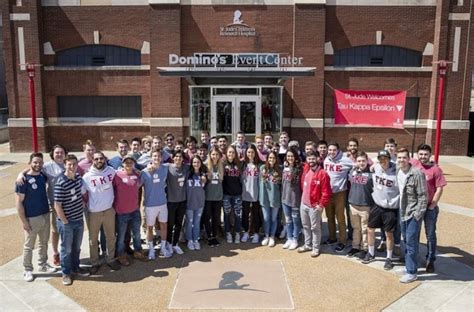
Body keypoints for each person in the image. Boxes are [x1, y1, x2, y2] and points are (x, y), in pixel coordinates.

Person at [16, 153, 56, 282]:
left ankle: (42, 264)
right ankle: (27, 269)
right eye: (35, 162)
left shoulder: (42, 176)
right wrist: (24, 221)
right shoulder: (22, 181)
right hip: (31, 218)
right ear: (30, 163)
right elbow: (18, 202)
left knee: (44, 243)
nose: (37, 165)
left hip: (45, 213)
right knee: (29, 245)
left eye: (40, 162)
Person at [82, 151, 121, 274]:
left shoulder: (111, 171)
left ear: (105, 159)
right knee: (93, 239)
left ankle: (111, 259)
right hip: (94, 212)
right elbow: (82, 194)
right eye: (96, 159)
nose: (99, 161)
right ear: (92, 160)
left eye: (101, 159)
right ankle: (95, 262)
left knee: (111, 237)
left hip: (109, 210)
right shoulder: (87, 177)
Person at [54, 154, 89, 286]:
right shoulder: (60, 182)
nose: (72, 167)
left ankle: (76, 268)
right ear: (65, 165)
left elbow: (79, 194)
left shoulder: (78, 178)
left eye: (74, 164)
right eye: (69, 164)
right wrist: (65, 222)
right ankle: (66, 273)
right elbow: (57, 205)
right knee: (66, 249)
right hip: (67, 222)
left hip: (79, 219)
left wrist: (82, 204)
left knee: (76, 247)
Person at [411, 144, 447, 273]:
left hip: (429, 207)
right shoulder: (414, 164)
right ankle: (412, 257)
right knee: (413, 234)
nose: (423, 157)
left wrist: (433, 204)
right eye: (421, 154)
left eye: (425, 154)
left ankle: (430, 259)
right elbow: (397, 159)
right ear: (417, 154)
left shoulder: (435, 170)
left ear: (430, 155)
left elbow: (440, 188)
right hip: (415, 207)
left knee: (430, 235)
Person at [362, 150, 400, 271]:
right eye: (380, 158)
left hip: (390, 208)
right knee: (370, 229)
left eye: (385, 158)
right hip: (377, 205)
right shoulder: (376, 167)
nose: (383, 161)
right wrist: (374, 163)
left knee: (389, 234)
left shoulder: (396, 171)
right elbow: (366, 159)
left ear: (390, 158)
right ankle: (371, 253)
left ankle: (389, 258)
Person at [397, 148, 427, 283]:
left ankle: (412, 272)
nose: (401, 160)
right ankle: (409, 266)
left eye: (404, 157)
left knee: (411, 242)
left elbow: (423, 196)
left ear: (409, 159)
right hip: (402, 211)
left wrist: (417, 215)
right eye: (399, 158)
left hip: (412, 213)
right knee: (406, 240)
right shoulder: (398, 171)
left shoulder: (416, 174)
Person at [112, 154, 148, 266]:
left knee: (137, 234)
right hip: (122, 212)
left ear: (133, 164)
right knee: (121, 236)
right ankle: (121, 255)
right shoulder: (116, 175)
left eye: (131, 162)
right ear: (123, 164)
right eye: (126, 162)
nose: (128, 164)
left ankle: (138, 251)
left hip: (134, 211)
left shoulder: (137, 175)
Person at [298, 151, 332, 257]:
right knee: (305, 226)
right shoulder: (306, 169)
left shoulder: (323, 174)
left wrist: (321, 205)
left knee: (315, 228)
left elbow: (326, 192)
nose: (311, 161)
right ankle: (307, 244)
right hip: (303, 203)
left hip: (314, 206)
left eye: (313, 159)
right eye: (309, 159)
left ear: (318, 159)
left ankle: (315, 247)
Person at [140, 147, 172, 259]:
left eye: (158, 156)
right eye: (154, 156)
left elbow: (178, 163)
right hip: (150, 205)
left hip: (162, 203)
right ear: (151, 158)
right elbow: (137, 184)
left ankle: (163, 248)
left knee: (164, 225)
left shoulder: (166, 168)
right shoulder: (145, 172)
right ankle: (151, 250)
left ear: (161, 157)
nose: (157, 158)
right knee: (149, 228)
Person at [323, 142, 353, 252]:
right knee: (329, 216)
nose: (331, 152)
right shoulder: (326, 159)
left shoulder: (345, 160)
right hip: (328, 193)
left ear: (338, 150)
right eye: (330, 150)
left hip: (340, 193)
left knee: (340, 218)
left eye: (333, 150)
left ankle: (342, 241)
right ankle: (332, 238)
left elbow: (356, 165)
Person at [347, 151, 373, 259]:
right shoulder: (353, 171)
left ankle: (364, 248)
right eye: (359, 161)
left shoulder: (372, 173)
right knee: (356, 228)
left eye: (363, 161)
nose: (361, 163)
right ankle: (355, 246)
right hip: (353, 204)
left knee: (364, 229)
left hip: (365, 205)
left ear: (367, 161)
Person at [166, 150, 188, 255]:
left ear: (183, 159)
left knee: (179, 224)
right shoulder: (167, 167)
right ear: (173, 157)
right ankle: (169, 243)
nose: (178, 158)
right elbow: (155, 166)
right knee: (170, 224)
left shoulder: (186, 168)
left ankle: (175, 244)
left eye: (180, 157)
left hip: (182, 200)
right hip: (171, 201)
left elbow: (199, 167)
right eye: (176, 156)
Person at [281, 147, 303, 250]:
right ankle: (289, 238)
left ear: (295, 157)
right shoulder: (284, 168)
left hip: (295, 199)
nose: (290, 158)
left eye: (292, 156)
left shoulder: (300, 168)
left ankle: (295, 239)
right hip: (285, 198)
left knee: (295, 220)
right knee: (288, 220)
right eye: (288, 156)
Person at [259, 151, 282, 247]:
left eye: (273, 158)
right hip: (264, 197)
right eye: (270, 158)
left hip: (275, 197)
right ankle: (266, 235)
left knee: (273, 218)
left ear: (276, 159)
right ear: (267, 159)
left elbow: (281, 185)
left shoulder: (279, 170)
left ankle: (272, 236)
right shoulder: (263, 168)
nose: (271, 160)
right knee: (266, 218)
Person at [203, 147, 224, 247]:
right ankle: (209, 236)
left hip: (218, 197)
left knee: (216, 218)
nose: (215, 156)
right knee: (207, 218)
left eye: (217, 154)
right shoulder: (205, 166)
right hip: (208, 197)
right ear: (210, 155)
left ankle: (214, 236)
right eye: (213, 154)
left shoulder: (221, 166)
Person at [185, 155, 207, 250]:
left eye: (198, 162)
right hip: (189, 202)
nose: (196, 164)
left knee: (197, 222)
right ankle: (189, 240)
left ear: (201, 163)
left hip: (200, 202)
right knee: (189, 222)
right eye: (194, 162)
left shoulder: (203, 175)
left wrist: (204, 177)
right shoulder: (187, 173)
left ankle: (196, 239)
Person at [222, 145, 243, 243]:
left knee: (238, 214)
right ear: (226, 153)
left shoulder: (239, 165)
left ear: (235, 154)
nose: (231, 154)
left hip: (237, 194)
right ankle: (228, 233)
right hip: (226, 194)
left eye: (233, 152)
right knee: (226, 214)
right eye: (229, 152)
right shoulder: (222, 164)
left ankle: (238, 232)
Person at [241, 144, 261, 244]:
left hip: (256, 194)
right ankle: (246, 232)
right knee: (245, 214)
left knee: (255, 215)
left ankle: (256, 233)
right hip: (245, 194)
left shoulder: (259, 165)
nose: (250, 154)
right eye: (248, 152)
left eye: (252, 152)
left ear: (255, 153)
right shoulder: (243, 165)